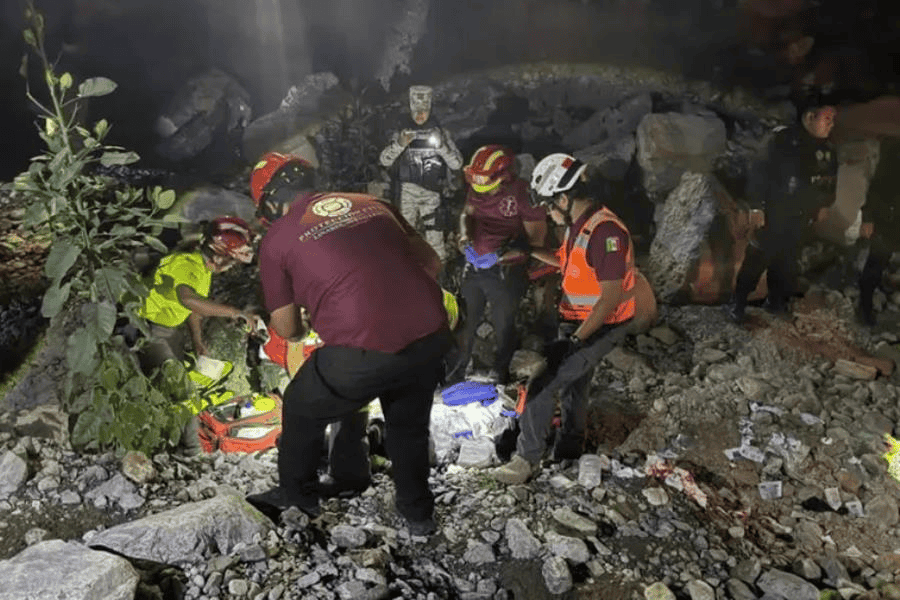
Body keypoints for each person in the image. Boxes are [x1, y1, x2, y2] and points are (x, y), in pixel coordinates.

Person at [244, 152, 453, 535]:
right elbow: (432, 264)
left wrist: (320, 312)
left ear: (273, 202)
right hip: (430, 333)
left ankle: (298, 496)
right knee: (408, 428)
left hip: (363, 346)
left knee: (301, 405)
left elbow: (288, 328)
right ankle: (419, 517)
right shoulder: (372, 203)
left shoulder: (278, 238)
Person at [492, 153, 640, 485]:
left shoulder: (606, 233)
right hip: (577, 319)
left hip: (602, 325)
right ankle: (570, 448)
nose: (546, 212)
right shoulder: (580, 224)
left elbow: (610, 297)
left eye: (548, 205)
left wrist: (573, 342)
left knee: (543, 384)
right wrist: (528, 250)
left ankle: (526, 460)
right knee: (575, 385)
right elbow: (566, 261)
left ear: (564, 197)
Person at [726, 100, 837, 322]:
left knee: (787, 260)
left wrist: (824, 205)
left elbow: (828, 182)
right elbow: (759, 172)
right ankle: (738, 301)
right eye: (827, 119)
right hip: (773, 212)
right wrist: (757, 207)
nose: (831, 125)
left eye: (833, 120)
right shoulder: (783, 139)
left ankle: (776, 301)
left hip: (800, 217)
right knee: (758, 257)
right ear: (810, 118)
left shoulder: (826, 151)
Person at [445, 144, 547, 385]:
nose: (482, 192)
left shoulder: (523, 195)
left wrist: (502, 255)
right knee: (466, 321)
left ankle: (500, 372)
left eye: (488, 187)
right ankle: (455, 373)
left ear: (505, 176)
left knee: (504, 323)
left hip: (505, 271)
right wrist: (464, 238)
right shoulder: (478, 187)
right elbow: (466, 214)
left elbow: (536, 243)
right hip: (474, 266)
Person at [137, 216, 257, 373]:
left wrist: (197, 341)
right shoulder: (188, 264)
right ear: (220, 255)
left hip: (165, 326)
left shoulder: (203, 270)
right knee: (170, 378)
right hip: (144, 324)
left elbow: (193, 307)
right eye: (232, 261)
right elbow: (187, 299)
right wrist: (235, 312)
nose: (231, 266)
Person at [379, 85, 463, 263]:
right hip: (407, 192)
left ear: (429, 109)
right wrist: (400, 144)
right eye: (416, 111)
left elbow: (456, 163)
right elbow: (385, 160)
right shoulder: (402, 133)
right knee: (406, 238)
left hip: (432, 192)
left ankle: (441, 279)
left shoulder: (439, 132)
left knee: (436, 241)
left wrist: (441, 146)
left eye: (424, 111)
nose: (420, 115)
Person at [858, 136, 900, 326]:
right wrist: (868, 217)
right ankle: (864, 308)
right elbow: (878, 186)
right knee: (876, 262)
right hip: (889, 218)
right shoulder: (894, 147)